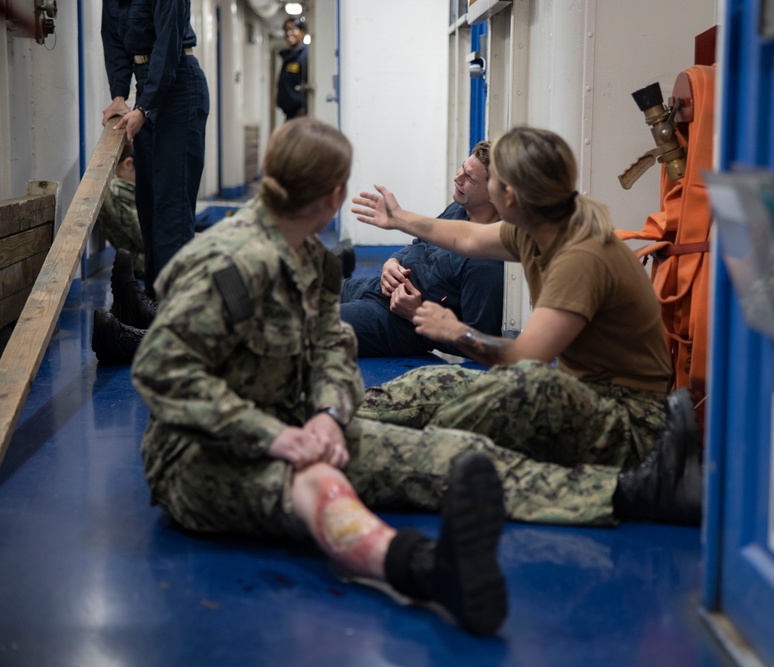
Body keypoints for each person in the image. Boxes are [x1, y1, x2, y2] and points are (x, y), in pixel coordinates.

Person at [129, 118, 509, 635]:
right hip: (202, 452)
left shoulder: (312, 259)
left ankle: (624, 489)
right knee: (319, 484)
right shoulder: (230, 262)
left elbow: (332, 345)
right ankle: (425, 569)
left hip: (298, 422)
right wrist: (276, 437)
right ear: (334, 198)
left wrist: (330, 414)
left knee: (455, 457)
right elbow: (160, 371)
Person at [348, 126, 703, 526]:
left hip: (629, 424)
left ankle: (410, 458)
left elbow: (525, 357)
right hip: (589, 397)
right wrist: (399, 219)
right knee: (429, 384)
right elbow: (466, 237)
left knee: (508, 394)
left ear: (509, 197)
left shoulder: (581, 256)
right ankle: (335, 417)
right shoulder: (539, 226)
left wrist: (452, 330)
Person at [340, 141, 504, 357]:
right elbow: (420, 244)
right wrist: (393, 262)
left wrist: (416, 314)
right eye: (463, 168)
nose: (457, 178)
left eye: (469, 178)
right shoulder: (458, 209)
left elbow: (478, 345)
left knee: (309, 322)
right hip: (375, 289)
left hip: (397, 323)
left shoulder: (485, 265)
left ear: (494, 194)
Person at [101, 0, 210, 291]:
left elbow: (168, 42)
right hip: (146, 85)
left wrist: (145, 107)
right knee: (147, 203)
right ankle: (153, 301)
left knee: (171, 206)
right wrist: (119, 94)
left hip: (180, 88)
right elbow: (112, 39)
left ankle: (174, 309)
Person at [96, 142, 145, 278]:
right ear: (129, 164)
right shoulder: (118, 191)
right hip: (143, 263)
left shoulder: (117, 190)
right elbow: (144, 238)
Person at [277, 16, 309, 121]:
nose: (289, 33)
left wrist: (305, 106)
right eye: (286, 30)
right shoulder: (289, 56)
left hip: (300, 114)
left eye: (293, 29)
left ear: (302, 32)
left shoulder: (305, 55)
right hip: (289, 113)